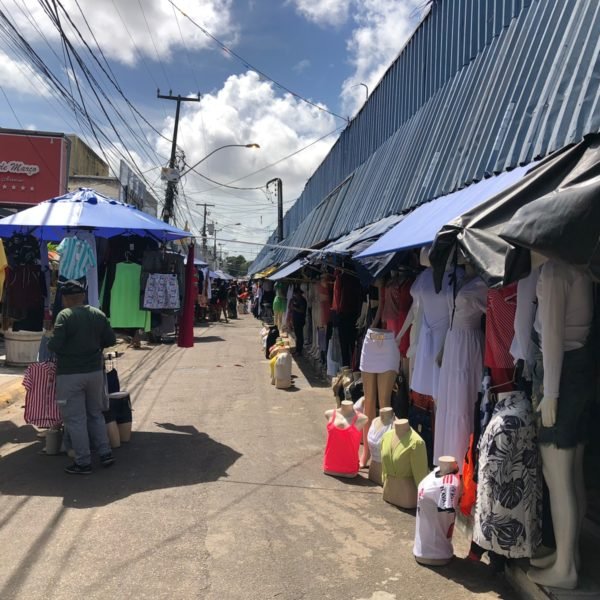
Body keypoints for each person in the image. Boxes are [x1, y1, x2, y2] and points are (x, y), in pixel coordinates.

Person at [48, 280, 117, 474]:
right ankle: (105, 453)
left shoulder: (65, 315)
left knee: (75, 419)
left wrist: (51, 339)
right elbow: (111, 340)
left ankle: (83, 462)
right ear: (83, 296)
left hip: (70, 374)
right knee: (95, 414)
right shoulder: (98, 314)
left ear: (65, 298)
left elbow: (54, 345)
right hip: (95, 373)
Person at [290, 287, 307, 356]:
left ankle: (299, 351)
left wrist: (294, 308)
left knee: (299, 336)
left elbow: (302, 310)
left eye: (296, 294)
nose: (295, 295)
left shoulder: (302, 300)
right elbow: (290, 307)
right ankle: (297, 349)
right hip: (295, 319)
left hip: (300, 320)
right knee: (297, 336)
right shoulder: (295, 300)